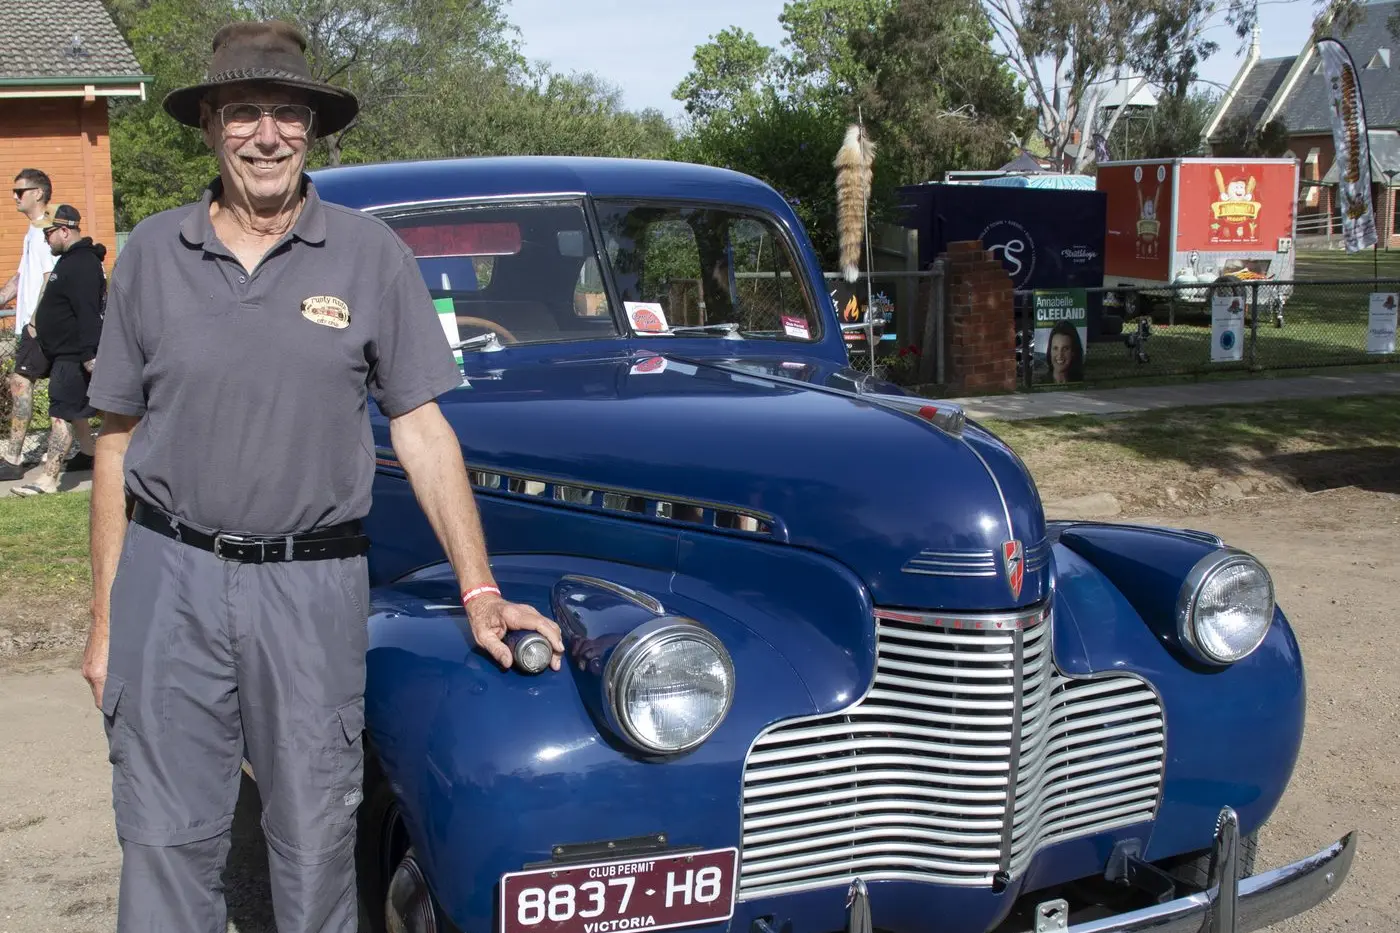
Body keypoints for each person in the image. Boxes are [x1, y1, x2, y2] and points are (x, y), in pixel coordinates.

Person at [82, 21, 564, 933]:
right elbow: (116, 440)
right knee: (162, 840)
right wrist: (107, 622)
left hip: (311, 588)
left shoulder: (369, 254)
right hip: (169, 581)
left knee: (312, 843)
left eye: (287, 114)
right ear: (213, 126)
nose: (267, 135)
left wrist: (481, 587)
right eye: (245, 113)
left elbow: (422, 430)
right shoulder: (150, 252)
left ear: (310, 128)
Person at [9, 205, 105, 496]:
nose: (46, 240)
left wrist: (90, 355)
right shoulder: (68, 260)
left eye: (49, 234)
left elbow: (88, 313)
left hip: (75, 354)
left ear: (65, 230)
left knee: (60, 414)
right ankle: (93, 453)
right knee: (77, 411)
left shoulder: (83, 264)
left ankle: (48, 480)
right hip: (62, 353)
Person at [0, 169, 59, 480]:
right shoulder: (32, 232)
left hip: (38, 328)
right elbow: (21, 278)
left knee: (20, 384)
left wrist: (35, 322)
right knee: (72, 392)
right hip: (34, 326)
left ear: (38, 193)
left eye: (19, 191)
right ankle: (89, 452)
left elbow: (51, 279)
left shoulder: (45, 232)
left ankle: (12, 459)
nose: (14, 197)